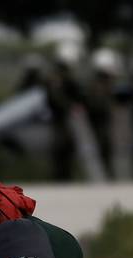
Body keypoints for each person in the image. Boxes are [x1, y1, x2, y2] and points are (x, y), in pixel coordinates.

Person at [45, 51, 84, 180]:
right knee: (60, 150)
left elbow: (76, 101)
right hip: (60, 121)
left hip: (68, 121)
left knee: (66, 149)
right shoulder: (55, 83)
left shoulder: (69, 83)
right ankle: (60, 176)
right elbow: (53, 101)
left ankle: (65, 176)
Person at [85, 48, 123, 178]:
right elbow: (98, 106)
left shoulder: (104, 84)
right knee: (103, 150)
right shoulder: (98, 86)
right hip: (100, 126)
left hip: (103, 125)